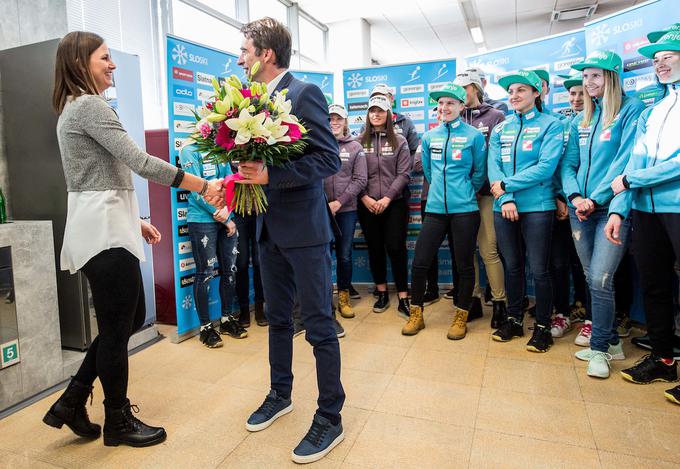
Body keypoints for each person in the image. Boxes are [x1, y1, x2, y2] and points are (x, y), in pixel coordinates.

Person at [43, 31, 224, 448]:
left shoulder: (78, 107)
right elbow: (139, 162)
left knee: (123, 319)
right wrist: (199, 185)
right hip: (103, 228)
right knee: (116, 325)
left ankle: (71, 401)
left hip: (107, 221)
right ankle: (118, 421)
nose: (113, 65)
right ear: (79, 62)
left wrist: (135, 219)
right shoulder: (88, 105)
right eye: (104, 58)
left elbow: (100, 173)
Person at [234, 18, 345, 464]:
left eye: (245, 50)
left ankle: (330, 417)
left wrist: (271, 175)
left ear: (266, 54)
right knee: (277, 319)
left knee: (318, 324)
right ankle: (280, 394)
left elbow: (328, 158)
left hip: (304, 231)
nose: (240, 58)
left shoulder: (304, 94)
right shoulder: (250, 102)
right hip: (266, 228)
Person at [605, 33, 680, 402]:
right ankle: (664, 359)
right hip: (645, 211)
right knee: (654, 286)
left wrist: (633, 179)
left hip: (677, 209)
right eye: (656, 59)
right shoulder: (654, 110)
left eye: (670, 56)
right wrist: (620, 208)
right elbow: (634, 160)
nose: (661, 63)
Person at [561, 50, 645, 378]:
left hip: (610, 210)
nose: (588, 83)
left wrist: (593, 199)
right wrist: (575, 197)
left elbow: (624, 163)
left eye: (595, 76)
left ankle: (599, 350)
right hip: (580, 210)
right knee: (592, 279)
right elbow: (568, 164)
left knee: (600, 278)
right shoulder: (583, 117)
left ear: (611, 76)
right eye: (585, 77)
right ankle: (610, 342)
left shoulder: (631, 110)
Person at [402, 83, 486, 340]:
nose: (444, 107)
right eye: (440, 103)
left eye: (450, 103)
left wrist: (464, 192)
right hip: (436, 209)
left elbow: (479, 173)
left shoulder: (474, 136)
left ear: (462, 106)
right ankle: (416, 314)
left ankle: (461, 315)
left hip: (465, 210)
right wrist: (441, 191)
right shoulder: (429, 137)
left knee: (464, 265)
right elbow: (428, 171)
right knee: (420, 262)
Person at [488, 70, 564, 353]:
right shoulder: (500, 128)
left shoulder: (552, 125)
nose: (514, 95)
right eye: (511, 91)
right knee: (513, 266)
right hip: (503, 206)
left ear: (537, 93)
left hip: (538, 207)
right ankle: (514, 319)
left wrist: (506, 184)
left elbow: (546, 167)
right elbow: (492, 166)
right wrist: (505, 196)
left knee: (541, 270)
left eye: (521, 90)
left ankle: (543, 326)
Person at [454, 69, 507, 327]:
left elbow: (498, 157)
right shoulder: (453, 117)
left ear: (475, 88)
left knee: (488, 251)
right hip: (461, 197)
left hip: (486, 194)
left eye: (464, 88)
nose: (461, 94)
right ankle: (472, 300)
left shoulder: (496, 116)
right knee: (466, 253)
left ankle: (499, 303)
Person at [180, 144, 246, 347]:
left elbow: (229, 183)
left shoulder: (218, 148)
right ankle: (205, 328)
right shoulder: (189, 150)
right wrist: (224, 218)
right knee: (206, 272)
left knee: (230, 270)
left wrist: (228, 211)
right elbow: (196, 189)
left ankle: (226, 319)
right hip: (202, 220)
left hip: (226, 215)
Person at [357, 94, 413, 318]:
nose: (376, 114)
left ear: (389, 114)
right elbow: (355, 175)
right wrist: (365, 198)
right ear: (368, 115)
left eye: (380, 111)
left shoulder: (400, 141)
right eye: (372, 111)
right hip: (367, 204)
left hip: (395, 204)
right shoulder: (359, 141)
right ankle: (381, 292)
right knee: (375, 248)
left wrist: (387, 198)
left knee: (396, 248)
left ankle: (403, 296)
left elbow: (404, 174)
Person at [548, 72, 589, 339]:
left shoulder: (601, 122)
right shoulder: (560, 125)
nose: (575, 99)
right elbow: (553, 164)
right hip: (560, 206)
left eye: (580, 93)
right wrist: (558, 198)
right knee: (559, 263)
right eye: (572, 94)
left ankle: (589, 317)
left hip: (588, 208)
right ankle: (562, 313)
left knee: (583, 266)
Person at [324, 104, 367, 319]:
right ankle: (324, 300)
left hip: (346, 210)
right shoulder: (319, 144)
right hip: (321, 212)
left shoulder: (355, 147)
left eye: (338, 118)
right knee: (322, 256)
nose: (334, 122)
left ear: (345, 121)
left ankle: (343, 297)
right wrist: (324, 204)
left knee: (344, 255)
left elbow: (360, 180)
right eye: (330, 118)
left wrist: (338, 203)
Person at [233, 207, 267, 328]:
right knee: (241, 263)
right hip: (238, 212)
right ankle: (244, 310)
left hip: (259, 212)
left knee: (259, 262)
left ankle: (259, 308)